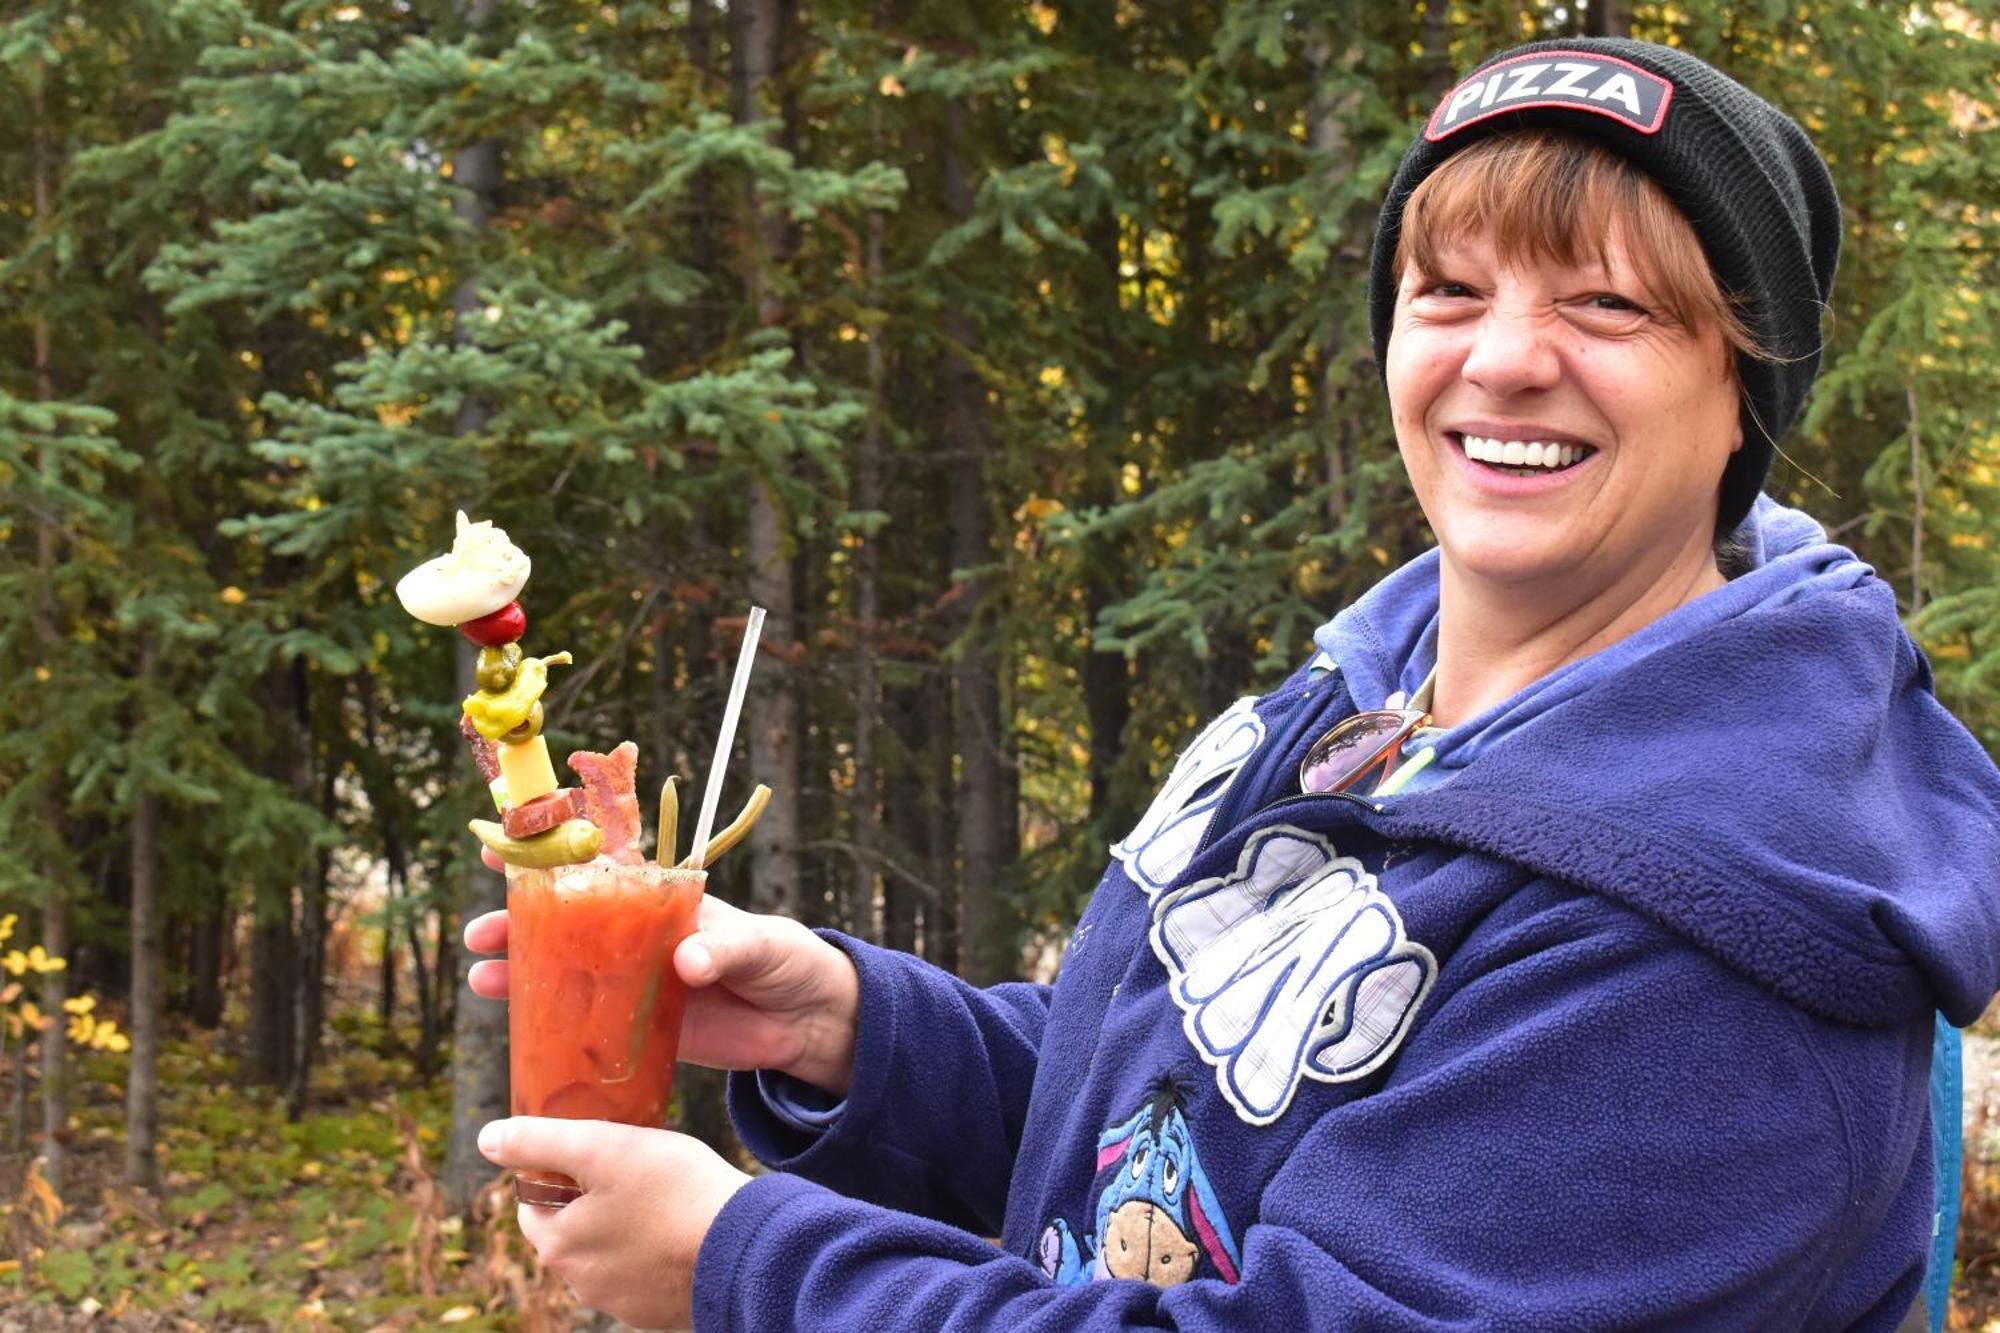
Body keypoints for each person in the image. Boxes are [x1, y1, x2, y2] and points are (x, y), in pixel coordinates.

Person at [466, 36, 2000, 1331]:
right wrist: (860, 1030)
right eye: (1448, 290)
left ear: (1745, 387)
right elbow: (1169, 1134)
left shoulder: (1710, 920)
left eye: (1606, 306)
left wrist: (750, 1263)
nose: (1505, 359)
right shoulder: (1365, 706)